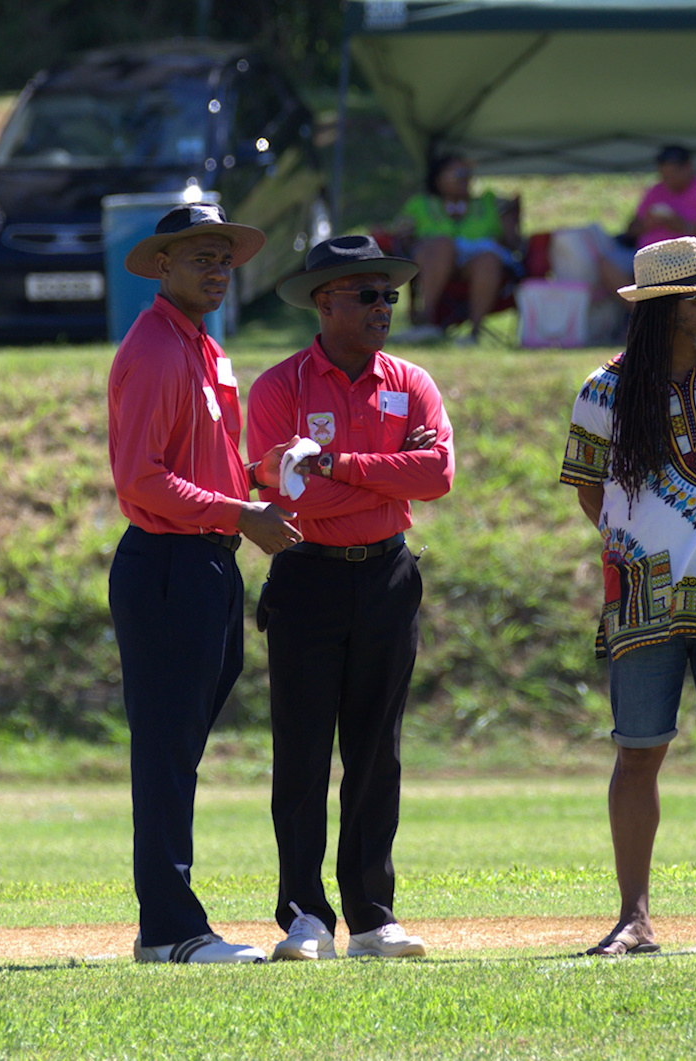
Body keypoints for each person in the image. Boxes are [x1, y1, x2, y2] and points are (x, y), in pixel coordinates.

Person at [558, 236, 696, 957]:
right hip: (642, 595)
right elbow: (591, 491)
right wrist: (645, 547)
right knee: (637, 753)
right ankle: (635, 917)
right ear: (661, 309)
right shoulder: (603, 391)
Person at [107, 201, 306, 964]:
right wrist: (239, 509)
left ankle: (167, 919)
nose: (217, 269)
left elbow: (203, 463)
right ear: (162, 264)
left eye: (224, 257)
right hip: (167, 564)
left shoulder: (202, 345)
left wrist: (264, 472)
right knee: (164, 751)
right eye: (199, 256)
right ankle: (170, 928)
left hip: (207, 562)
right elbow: (142, 481)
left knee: (177, 748)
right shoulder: (157, 348)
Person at [247, 234, 455, 960]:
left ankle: (372, 913)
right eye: (368, 294)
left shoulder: (413, 381)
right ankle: (304, 915)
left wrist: (337, 462)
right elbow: (287, 491)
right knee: (302, 751)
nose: (383, 307)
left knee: (376, 752)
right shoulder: (279, 389)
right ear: (324, 300)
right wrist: (376, 475)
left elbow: (435, 475)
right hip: (307, 576)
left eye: (390, 295)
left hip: (388, 576)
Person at [393, 153, 521, 345]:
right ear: (438, 178)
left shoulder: (488, 203)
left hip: (477, 264)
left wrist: (512, 219)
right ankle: (425, 322)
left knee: (488, 259)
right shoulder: (420, 205)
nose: (465, 178)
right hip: (431, 263)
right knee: (442, 245)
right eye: (457, 173)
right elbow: (401, 238)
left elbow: (514, 243)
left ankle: (474, 333)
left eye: (467, 173)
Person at [594, 145, 696, 297]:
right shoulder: (656, 191)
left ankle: (650, 312)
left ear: (688, 167)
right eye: (664, 174)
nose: (669, 179)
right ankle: (640, 313)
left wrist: (685, 226)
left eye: (673, 173)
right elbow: (631, 229)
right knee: (606, 265)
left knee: (664, 277)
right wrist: (647, 224)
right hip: (647, 259)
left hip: (687, 262)